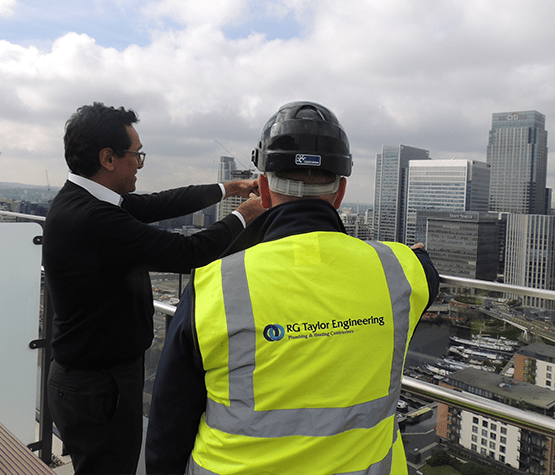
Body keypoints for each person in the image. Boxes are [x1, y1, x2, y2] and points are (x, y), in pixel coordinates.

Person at [145, 101, 440, 475]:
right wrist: (417, 258)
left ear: (264, 191)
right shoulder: (400, 270)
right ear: (341, 192)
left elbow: (169, 424)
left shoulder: (214, 285)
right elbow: (428, 272)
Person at [42, 102, 265, 475]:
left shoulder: (83, 202)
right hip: (100, 388)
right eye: (137, 155)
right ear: (109, 158)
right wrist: (249, 213)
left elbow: (160, 203)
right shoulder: (94, 219)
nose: (140, 164)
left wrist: (230, 188)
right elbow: (188, 252)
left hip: (88, 380)